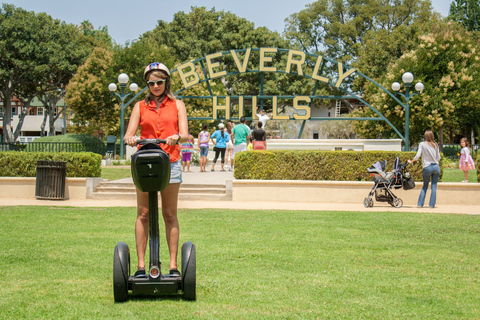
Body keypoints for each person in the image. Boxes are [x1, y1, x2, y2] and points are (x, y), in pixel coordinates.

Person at [124, 62, 188, 278]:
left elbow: (186, 134)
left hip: (170, 161)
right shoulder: (139, 107)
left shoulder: (177, 105)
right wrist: (131, 138)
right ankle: (142, 267)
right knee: (143, 213)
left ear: (166, 82)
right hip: (145, 162)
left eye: (160, 82)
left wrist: (176, 136)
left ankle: (173, 266)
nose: (156, 86)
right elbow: (128, 134)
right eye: (151, 83)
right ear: (147, 85)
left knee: (169, 214)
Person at [408, 130, 441, 208]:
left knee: (425, 186)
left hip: (427, 167)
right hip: (436, 166)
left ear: (425, 136)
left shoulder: (422, 144)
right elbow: (438, 157)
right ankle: (432, 205)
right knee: (434, 186)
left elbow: (418, 155)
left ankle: (420, 204)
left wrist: (411, 161)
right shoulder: (435, 145)